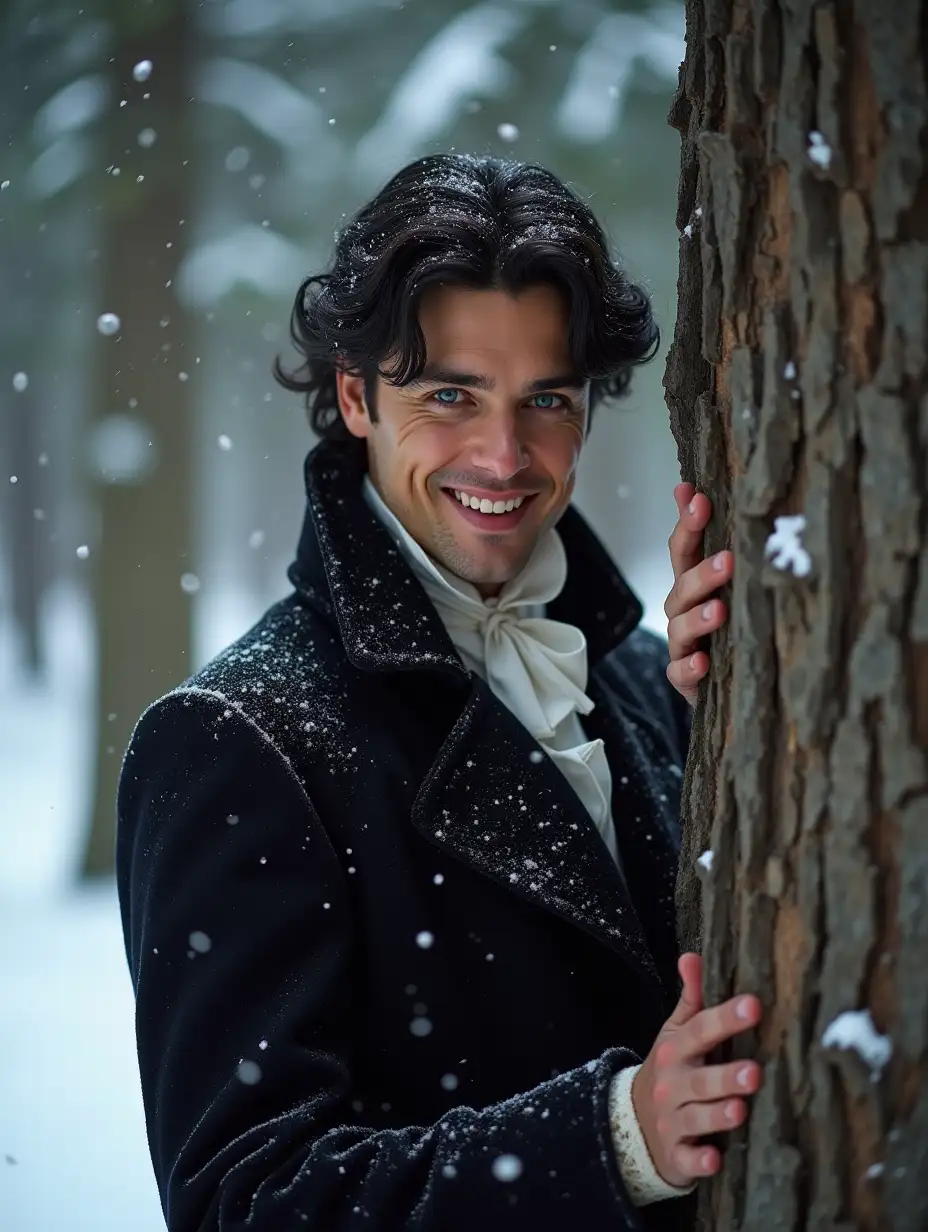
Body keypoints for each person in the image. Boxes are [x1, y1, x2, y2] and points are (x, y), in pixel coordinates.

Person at [116, 153, 760, 1232]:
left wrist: (735, 721)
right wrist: (611, 1139)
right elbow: (246, 1199)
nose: (503, 454)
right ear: (354, 394)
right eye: (449, 394)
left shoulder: (648, 674)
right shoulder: (233, 738)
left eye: (544, 398)